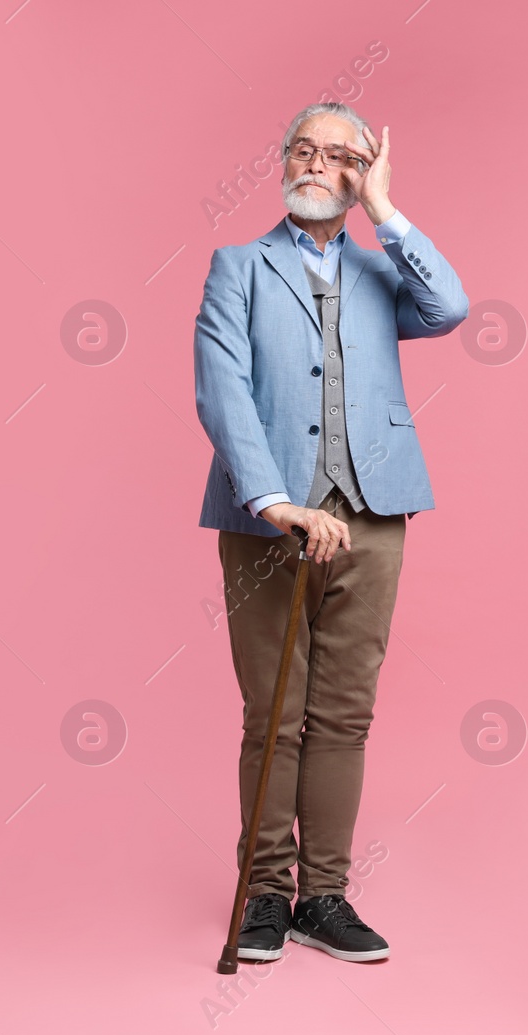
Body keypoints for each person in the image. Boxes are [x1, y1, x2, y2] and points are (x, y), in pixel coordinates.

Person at [193, 102, 468, 963]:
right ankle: (265, 893)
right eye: (302, 150)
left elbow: (452, 306)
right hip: (269, 517)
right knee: (274, 719)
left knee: (345, 714)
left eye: (337, 157)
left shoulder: (384, 274)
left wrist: (385, 210)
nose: (315, 165)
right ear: (283, 160)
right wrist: (275, 502)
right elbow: (223, 391)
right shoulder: (238, 266)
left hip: (374, 512)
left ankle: (325, 896)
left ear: (357, 173)